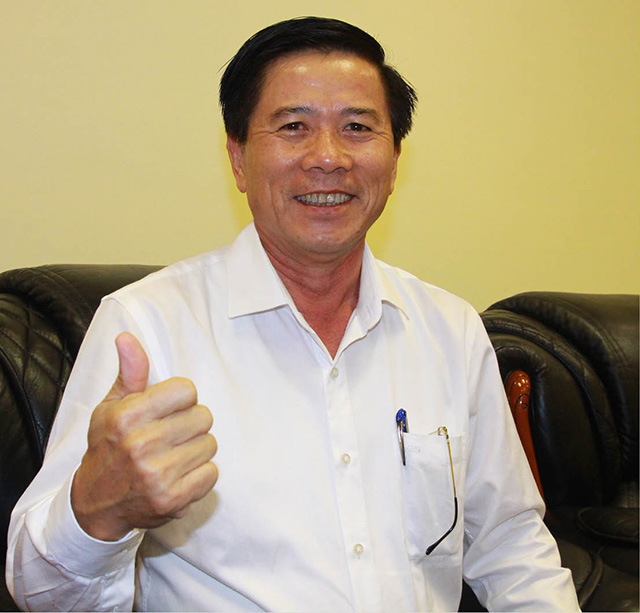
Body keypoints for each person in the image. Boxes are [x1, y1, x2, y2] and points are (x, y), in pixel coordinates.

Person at [7, 16, 580, 612]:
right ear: (237, 158)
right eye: (293, 127)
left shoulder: (450, 330)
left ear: (394, 159)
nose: (328, 157)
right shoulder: (146, 327)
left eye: (357, 127)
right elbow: (38, 592)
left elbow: (512, 547)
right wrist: (97, 511)